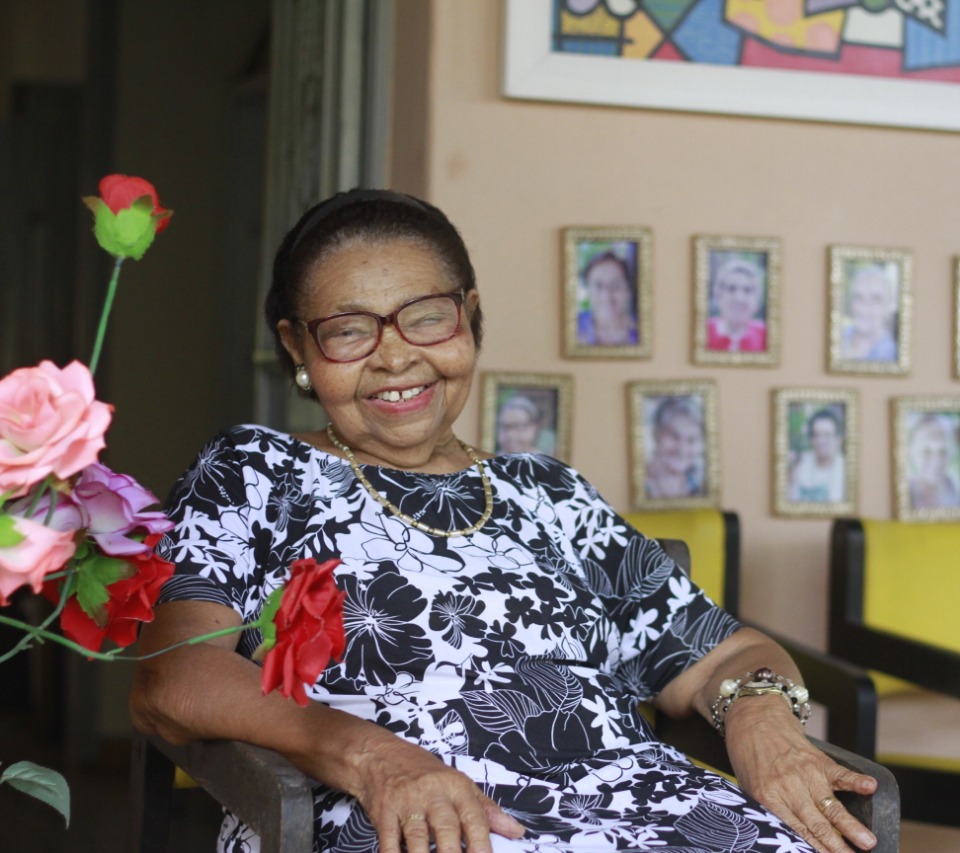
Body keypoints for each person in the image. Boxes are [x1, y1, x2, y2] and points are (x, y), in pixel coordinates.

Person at [129, 190, 878, 853]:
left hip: (646, 813)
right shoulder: (254, 471)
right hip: (402, 817)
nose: (395, 357)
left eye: (426, 318)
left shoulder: (549, 492)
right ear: (298, 346)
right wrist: (369, 756)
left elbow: (724, 653)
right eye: (350, 330)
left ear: (470, 316)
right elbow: (173, 677)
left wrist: (761, 718)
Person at [643, 395, 707, 500]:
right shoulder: (640, 482)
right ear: (655, 435)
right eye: (674, 436)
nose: (682, 449)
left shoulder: (700, 485)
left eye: (691, 440)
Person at [575, 249, 637, 346]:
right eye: (598, 285)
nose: (606, 295)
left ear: (628, 290)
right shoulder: (573, 326)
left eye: (616, 285)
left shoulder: (643, 328)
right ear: (588, 289)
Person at [706, 256, 768, 353]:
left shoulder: (766, 335)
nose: (739, 298)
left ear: (756, 300)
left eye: (747, 290)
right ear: (718, 295)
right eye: (731, 289)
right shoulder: (703, 331)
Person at [840, 265, 897, 362]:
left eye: (875, 299)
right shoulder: (839, 336)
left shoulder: (892, 355)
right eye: (859, 297)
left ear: (888, 308)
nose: (865, 307)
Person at [788, 408, 846, 503]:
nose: (821, 441)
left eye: (827, 435)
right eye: (816, 435)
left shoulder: (847, 470)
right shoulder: (799, 465)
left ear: (839, 439)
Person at [907, 414, 960, 510]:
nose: (936, 460)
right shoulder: (906, 492)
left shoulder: (956, 489)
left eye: (943, 451)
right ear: (911, 451)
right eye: (926, 451)